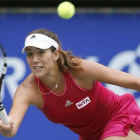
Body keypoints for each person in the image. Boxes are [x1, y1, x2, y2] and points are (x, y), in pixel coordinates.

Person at [0, 28, 140, 140]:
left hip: (121, 117)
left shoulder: (81, 70)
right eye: (30, 54)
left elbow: (136, 83)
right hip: (90, 136)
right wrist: (7, 128)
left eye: (41, 52)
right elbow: (12, 126)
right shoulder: (27, 90)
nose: (34, 59)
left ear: (55, 54)